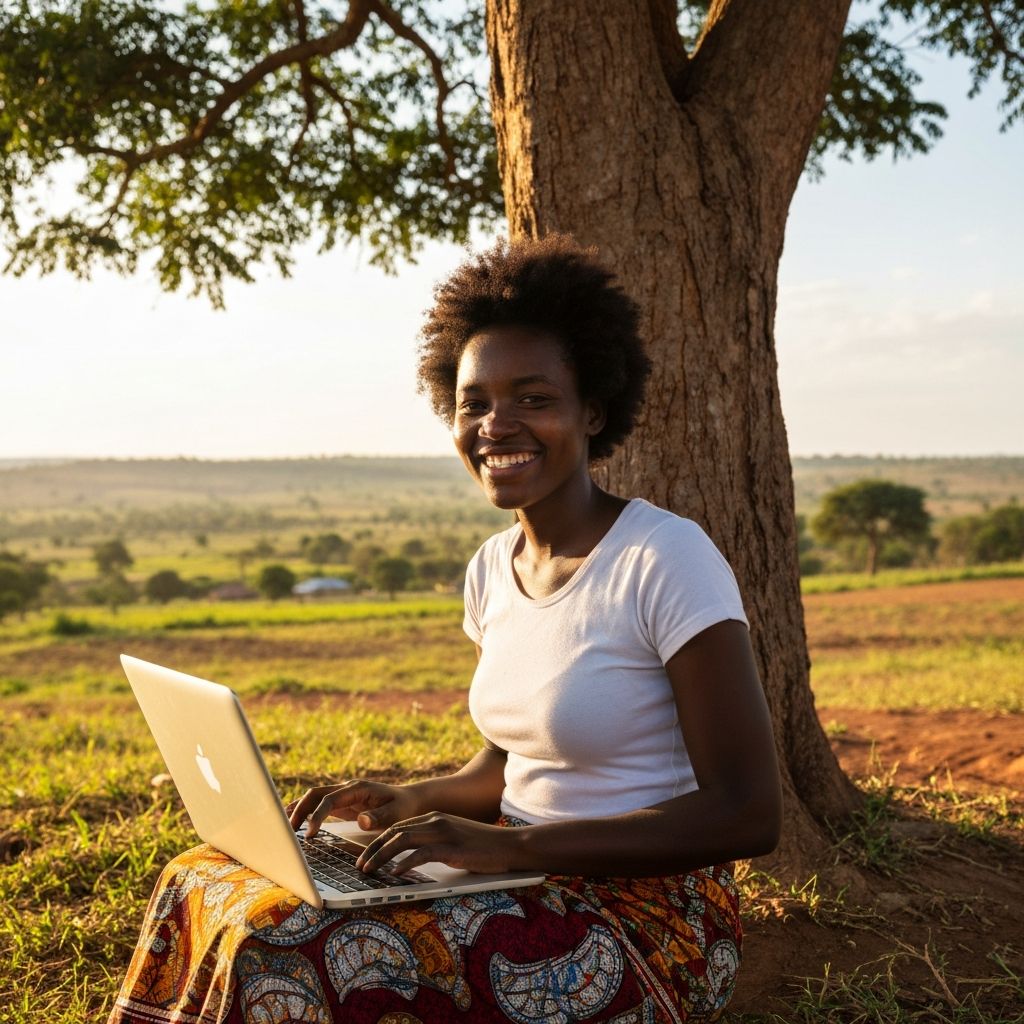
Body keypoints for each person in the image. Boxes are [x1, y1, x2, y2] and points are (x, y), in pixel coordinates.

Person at [110, 235, 781, 1024]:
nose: (497, 425)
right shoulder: (492, 569)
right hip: (515, 876)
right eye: (475, 403)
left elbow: (747, 812)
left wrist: (506, 849)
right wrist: (408, 800)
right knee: (201, 877)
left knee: (283, 943)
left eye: (534, 399)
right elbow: (507, 764)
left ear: (592, 410)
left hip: (646, 920)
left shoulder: (664, 557)